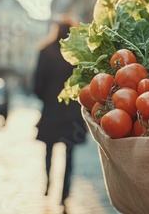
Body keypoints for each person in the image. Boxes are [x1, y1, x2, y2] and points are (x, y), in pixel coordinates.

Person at [33, 19, 87, 210]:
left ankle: (48, 182)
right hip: (72, 113)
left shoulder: (45, 51)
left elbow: (36, 84)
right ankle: (64, 194)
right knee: (69, 155)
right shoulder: (78, 54)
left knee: (48, 150)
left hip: (51, 110)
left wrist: (48, 99)